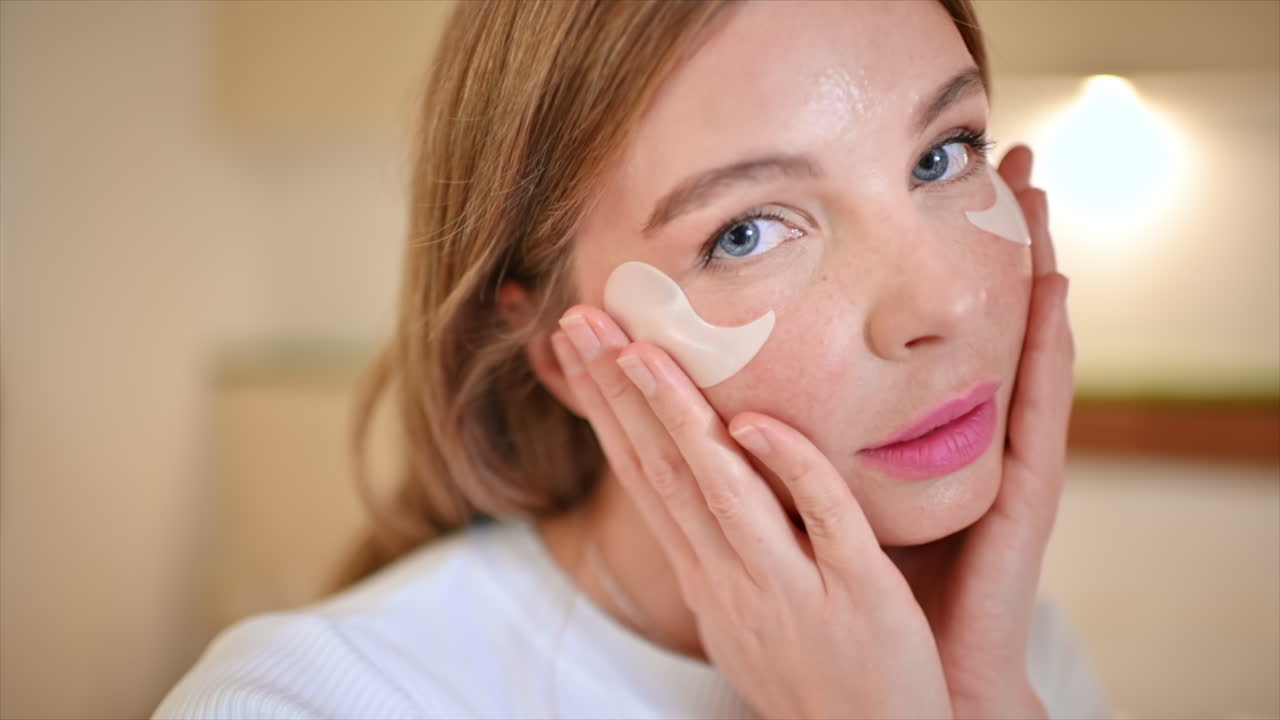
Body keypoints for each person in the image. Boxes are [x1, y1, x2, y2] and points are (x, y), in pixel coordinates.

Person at [155, 1, 1112, 718]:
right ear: (560, 354)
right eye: (745, 232)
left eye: (946, 153)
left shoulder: (1008, 646)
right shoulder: (305, 701)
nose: (942, 303)